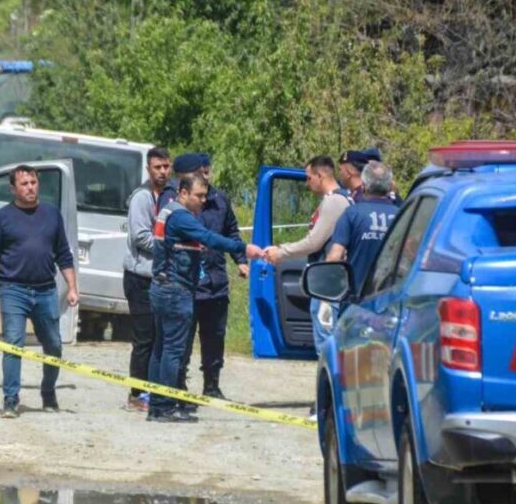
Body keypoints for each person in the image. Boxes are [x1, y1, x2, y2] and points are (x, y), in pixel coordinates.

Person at [149, 173, 263, 423]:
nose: (203, 200)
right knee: (172, 350)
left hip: (161, 287)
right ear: (183, 192)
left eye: (205, 195)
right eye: (199, 195)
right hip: (175, 290)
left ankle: (157, 405)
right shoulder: (180, 217)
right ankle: (165, 406)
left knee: (160, 348)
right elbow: (209, 238)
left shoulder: (167, 211)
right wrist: (244, 248)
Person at [0, 165, 78, 418]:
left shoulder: (52, 215)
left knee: (53, 345)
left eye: (33, 182)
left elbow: (64, 254)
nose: (30, 187)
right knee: (13, 344)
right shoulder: (2, 218)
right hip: (13, 290)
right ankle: (11, 400)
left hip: (45, 291)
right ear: (13, 189)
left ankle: (48, 391)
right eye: (24, 184)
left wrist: (72, 287)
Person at [171, 153, 246, 400]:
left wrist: (242, 261)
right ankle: (178, 385)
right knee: (183, 338)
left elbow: (232, 231)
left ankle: (211, 385)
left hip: (215, 282)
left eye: (207, 169)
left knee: (215, 337)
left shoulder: (219, 200)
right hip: (188, 282)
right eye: (201, 170)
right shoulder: (178, 200)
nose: (206, 174)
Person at [263, 155, 352, 353]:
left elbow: (314, 242)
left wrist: (281, 252)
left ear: (320, 175)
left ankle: (328, 382)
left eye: (309, 177)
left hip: (328, 284)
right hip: (330, 282)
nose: (306, 183)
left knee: (326, 346)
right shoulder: (337, 200)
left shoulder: (334, 202)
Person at [121, 147, 172, 412]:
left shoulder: (169, 196)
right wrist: (172, 245)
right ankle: (136, 393)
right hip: (139, 278)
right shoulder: (142, 198)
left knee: (159, 338)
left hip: (160, 278)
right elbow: (141, 237)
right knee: (143, 339)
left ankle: (156, 389)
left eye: (166, 167)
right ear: (148, 169)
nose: (162, 172)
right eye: (157, 167)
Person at [326, 160, 400, 294]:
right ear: (390, 187)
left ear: (364, 186)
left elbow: (334, 257)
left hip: (356, 298)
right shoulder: (402, 215)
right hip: (390, 300)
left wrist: (324, 293)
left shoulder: (352, 213)